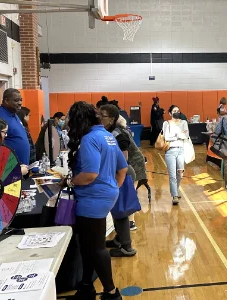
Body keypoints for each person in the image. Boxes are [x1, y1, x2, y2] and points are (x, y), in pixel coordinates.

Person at [66, 102, 127, 300]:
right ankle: (86, 287)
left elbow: (90, 174)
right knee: (87, 245)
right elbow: (123, 168)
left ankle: (111, 293)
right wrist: (112, 188)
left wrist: (69, 181)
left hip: (93, 198)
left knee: (96, 247)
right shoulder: (108, 136)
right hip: (103, 195)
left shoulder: (90, 139)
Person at [100, 104, 148, 255]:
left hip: (123, 173)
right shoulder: (108, 131)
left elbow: (123, 160)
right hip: (119, 173)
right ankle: (119, 239)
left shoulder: (118, 134)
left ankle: (127, 248)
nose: (99, 118)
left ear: (112, 119)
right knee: (117, 209)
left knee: (121, 210)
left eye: (103, 116)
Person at [0, 89, 30, 173]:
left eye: (21, 100)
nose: (20, 103)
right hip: (8, 171)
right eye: (16, 100)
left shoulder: (14, 114)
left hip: (21, 168)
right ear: (6, 100)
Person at [163, 105, 189, 205]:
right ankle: (174, 195)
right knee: (172, 175)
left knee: (180, 173)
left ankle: (176, 190)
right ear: (170, 113)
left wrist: (175, 135)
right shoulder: (166, 123)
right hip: (170, 151)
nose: (177, 112)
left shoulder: (184, 122)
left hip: (181, 150)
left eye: (178, 110)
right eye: (174, 111)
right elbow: (167, 137)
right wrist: (179, 135)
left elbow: (186, 136)